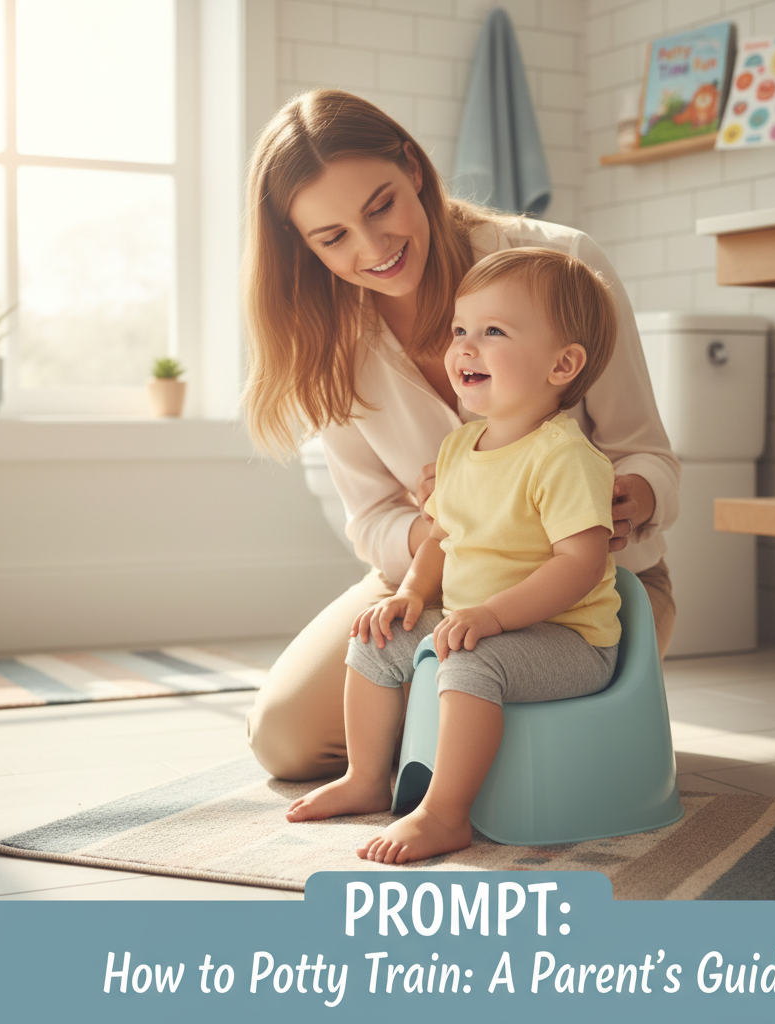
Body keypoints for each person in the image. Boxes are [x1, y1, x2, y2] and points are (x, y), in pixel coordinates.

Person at [242, 89, 679, 782]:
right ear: (303, 245)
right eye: (333, 238)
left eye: (380, 206)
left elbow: (647, 451)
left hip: (591, 587)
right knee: (285, 740)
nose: (373, 247)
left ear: (413, 168)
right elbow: (371, 519)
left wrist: (631, 496)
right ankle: (421, 741)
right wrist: (443, 521)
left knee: (478, 705)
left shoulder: (560, 264)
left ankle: (449, 744)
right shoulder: (330, 341)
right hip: (441, 577)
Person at [286, 247, 622, 863]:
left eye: (493, 332)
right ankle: (367, 779)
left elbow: (581, 565)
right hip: (478, 625)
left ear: (562, 364)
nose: (465, 347)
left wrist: (492, 616)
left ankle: (445, 813)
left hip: (569, 640)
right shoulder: (459, 449)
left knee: (470, 662)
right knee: (376, 638)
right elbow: (441, 538)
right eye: (460, 330)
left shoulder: (565, 458)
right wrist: (412, 594)